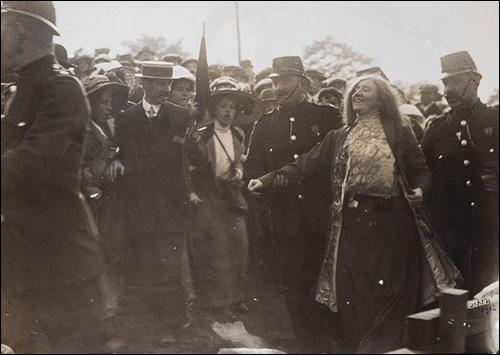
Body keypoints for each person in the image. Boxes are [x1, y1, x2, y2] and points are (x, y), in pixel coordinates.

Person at [249, 74, 429, 353]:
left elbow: (421, 170)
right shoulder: (339, 135)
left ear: (381, 98)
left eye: (365, 90)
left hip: (391, 222)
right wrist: (269, 179)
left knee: (391, 290)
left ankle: (386, 346)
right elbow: (304, 165)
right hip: (352, 224)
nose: (356, 94)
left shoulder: (399, 130)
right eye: (354, 91)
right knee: (354, 292)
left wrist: (419, 190)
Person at [1, 2, 110, 352]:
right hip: (23, 256)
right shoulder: (20, 91)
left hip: (60, 260)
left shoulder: (62, 88)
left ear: (19, 30)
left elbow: (34, 160)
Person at [245, 56, 342, 353]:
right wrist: (258, 187)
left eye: (284, 81)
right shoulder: (264, 125)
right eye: (274, 82)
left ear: (303, 82)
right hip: (285, 224)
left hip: (324, 220)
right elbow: (252, 173)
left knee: (329, 291)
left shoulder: (328, 116)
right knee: (295, 294)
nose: (278, 88)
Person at [115, 61, 192, 342]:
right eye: (159, 84)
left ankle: (169, 325)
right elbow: (122, 157)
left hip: (171, 205)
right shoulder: (127, 117)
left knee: (169, 265)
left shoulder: (181, 116)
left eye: (167, 84)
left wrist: (184, 200)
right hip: (139, 205)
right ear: (145, 85)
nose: (164, 89)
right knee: (143, 263)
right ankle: (147, 322)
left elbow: (184, 162)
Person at [421, 51, 499, 293]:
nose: (447, 91)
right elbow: (421, 173)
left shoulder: (496, 120)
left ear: (474, 80)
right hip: (450, 235)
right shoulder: (437, 128)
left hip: (492, 233)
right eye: (445, 83)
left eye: (454, 81)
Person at [187, 87, 260, 321]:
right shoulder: (202, 134)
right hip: (206, 193)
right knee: (215, 248)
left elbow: (239, 160)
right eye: (223, 106)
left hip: (231, 195)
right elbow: (189, 164)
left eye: (232, 107)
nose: (228, 112)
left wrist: (238, 171)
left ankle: (236, 297)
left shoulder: (238, 134)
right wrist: (190, 190)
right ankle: (216, 301)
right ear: (214, 109)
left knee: (239, 244)